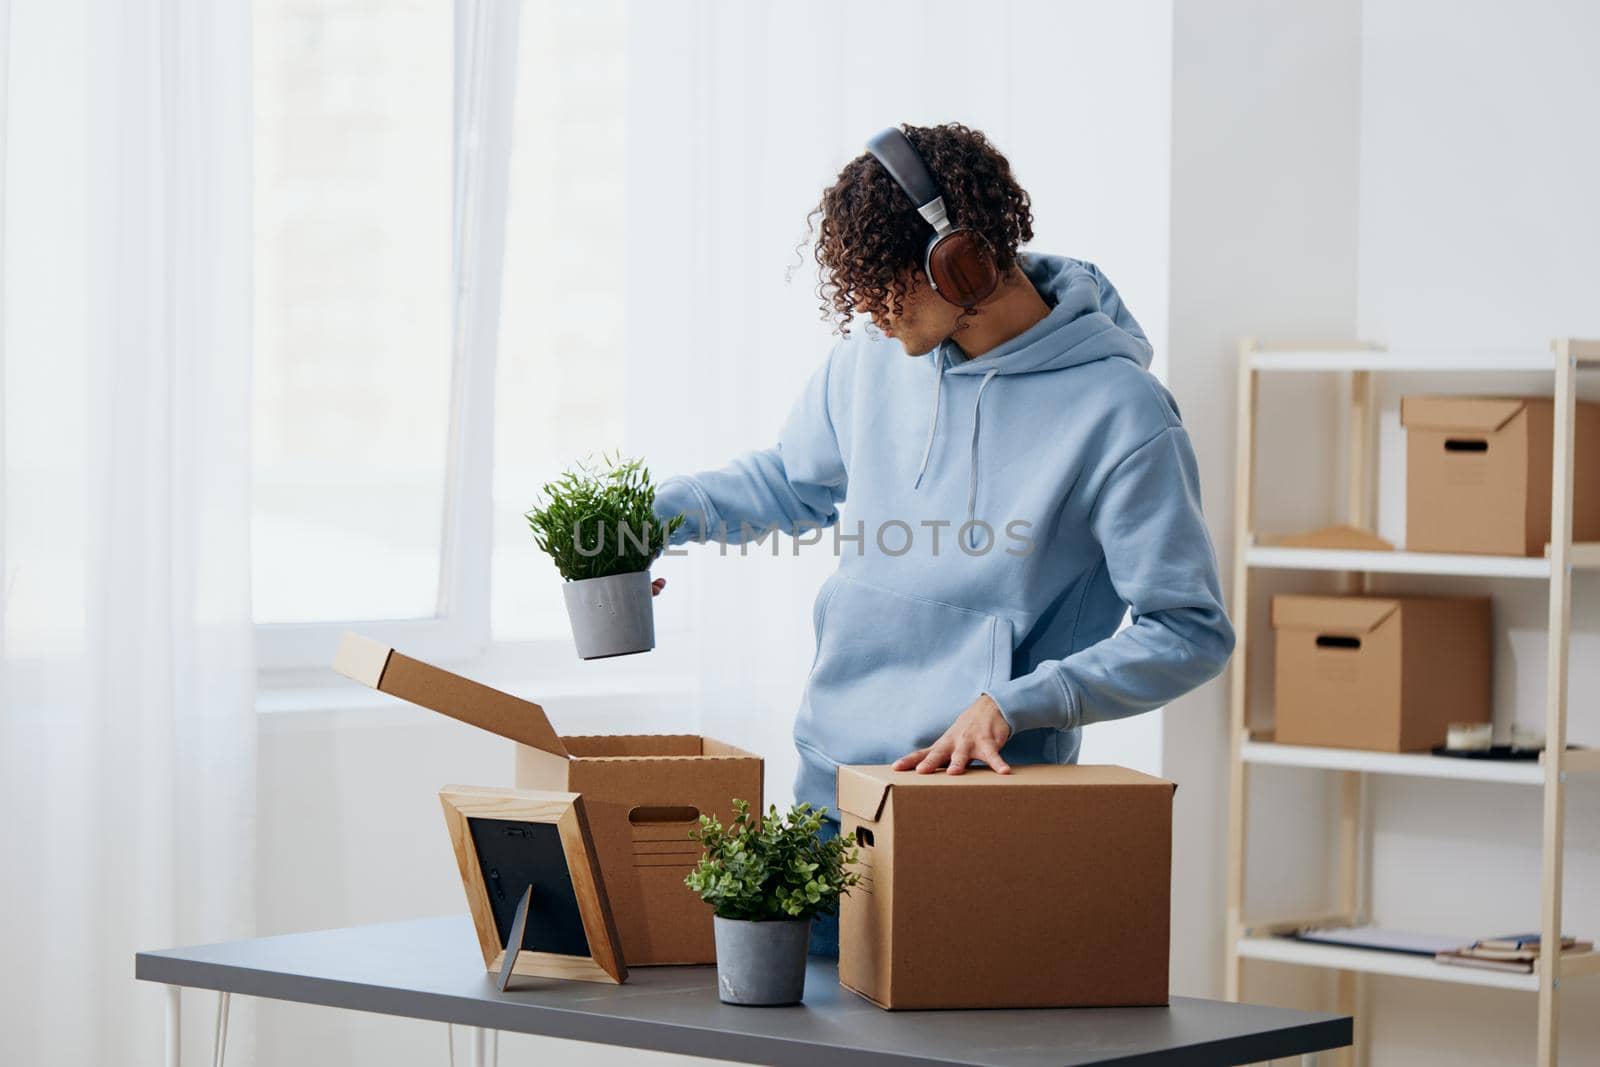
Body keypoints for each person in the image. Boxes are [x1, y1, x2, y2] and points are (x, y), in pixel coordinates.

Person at [649, 123, 1234, 957]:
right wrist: (647, 519)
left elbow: (1190, 629)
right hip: (831, 795)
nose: (866, 311)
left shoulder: (1123, 414)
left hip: (978, 818)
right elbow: (792, 481)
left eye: (882, 285)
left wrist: (1016, 702)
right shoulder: (869, 359)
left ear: (959, 262)